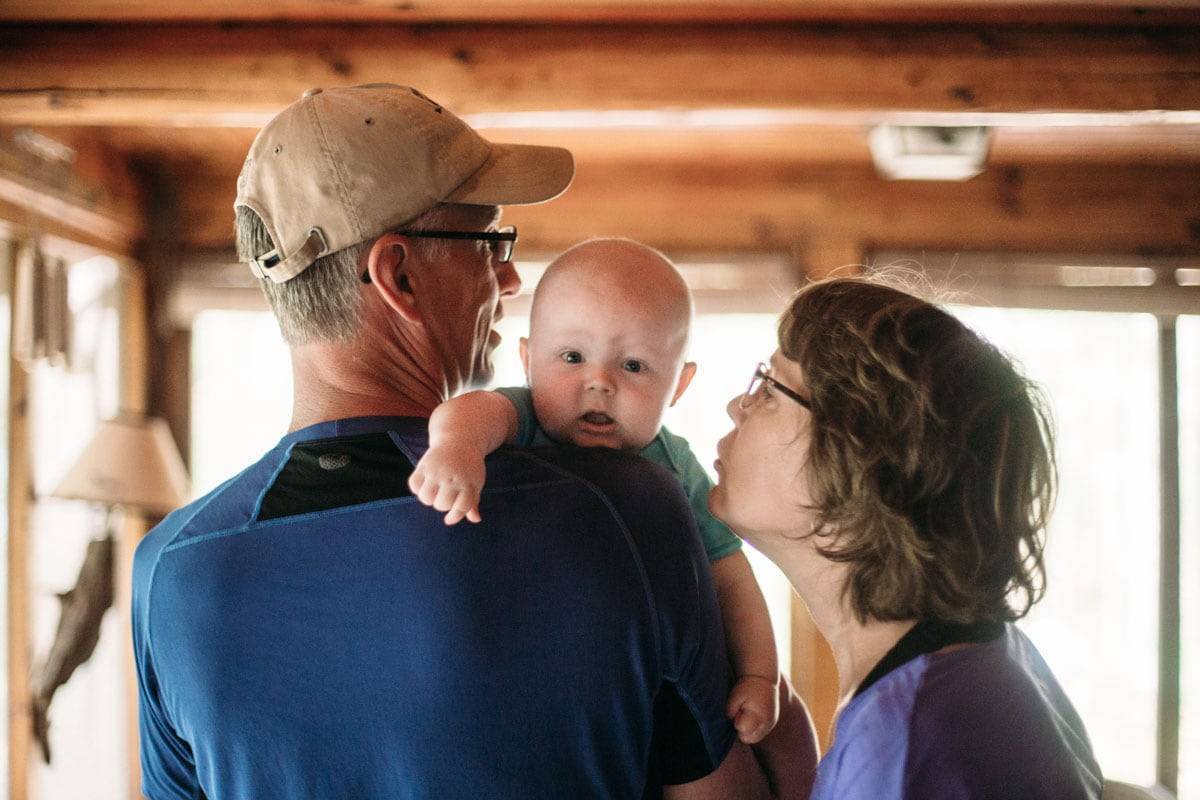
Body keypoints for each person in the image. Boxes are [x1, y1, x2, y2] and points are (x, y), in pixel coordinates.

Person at [130, 83, 817, 799]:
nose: (512, 277)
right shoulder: (623, 510)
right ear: (399, 275)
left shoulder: (170, 570)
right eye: (488, 241)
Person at [709, 275, 1104, 799]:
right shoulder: (983, 667)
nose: (737, 405)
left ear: (862, 460)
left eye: (771, 390)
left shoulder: (906, 744)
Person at [409, 237, 780, 745]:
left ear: (679, 386)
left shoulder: (675, 466)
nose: (599, 382)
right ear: (529, 361)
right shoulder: (525, 419)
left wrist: (760, 675)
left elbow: (732, 579)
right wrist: (456, 449)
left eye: (632, 366)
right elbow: (472, 412)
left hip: (646, 677)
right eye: (572, 356)